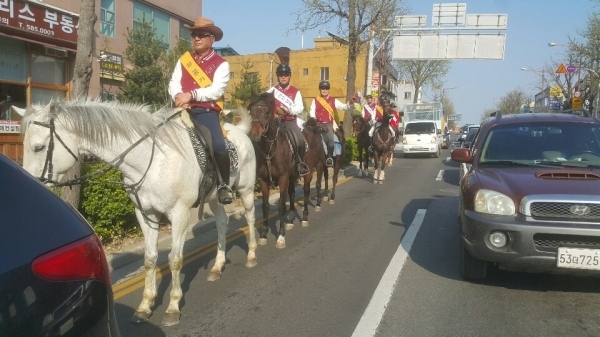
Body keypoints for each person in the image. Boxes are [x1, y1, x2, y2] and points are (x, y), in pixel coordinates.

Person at [168, 17, 234, 205]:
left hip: (206, 113)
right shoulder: (184, 60)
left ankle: (224, 185)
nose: (196, 38)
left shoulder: (222, 64)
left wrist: (191, 94)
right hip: (182, 110)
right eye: (194, 34)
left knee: (219, 146)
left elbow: (217, 90)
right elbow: (174, 82)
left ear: (212, 38)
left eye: (202, 35)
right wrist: (179, 97)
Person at [266, 63, 310, 176]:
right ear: (277, 76)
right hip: (275, 123)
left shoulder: (296, 91)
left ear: (289, 76)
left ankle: (300, 164)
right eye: (281, 74)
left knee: (300, 140)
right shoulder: (271, 91)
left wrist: (287, 111)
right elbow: (265, 106)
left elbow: (300, 108)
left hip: (289, 122)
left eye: (286, 74)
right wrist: (273, 114)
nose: (283, 77)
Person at [308, 80, 349, 166]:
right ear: (320, 89)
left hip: (328, 124)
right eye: (322, 88)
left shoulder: (333, 100)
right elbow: (312, 111)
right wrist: (314, 121)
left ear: (328, 90)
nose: (324, 90)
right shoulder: (315, 100)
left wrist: (350, 103)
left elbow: (343, 107)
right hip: (317, 124)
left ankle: (329, 157)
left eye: (326, 88)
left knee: (330, 138)